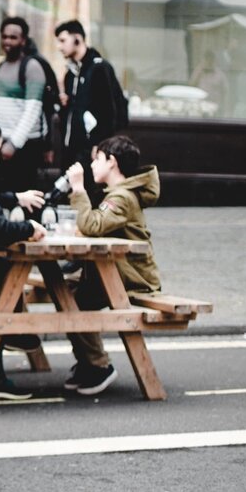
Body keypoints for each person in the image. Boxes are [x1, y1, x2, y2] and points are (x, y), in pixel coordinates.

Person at [62, 135, 161, 395]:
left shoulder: (122, 197)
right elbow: (94, 225)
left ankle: (98, 366)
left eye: (97, 159)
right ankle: (89, 362)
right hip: (115, 272)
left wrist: (79, 190)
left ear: (112, 162)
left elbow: (92, 225)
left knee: (74, 299)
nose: (92, 164)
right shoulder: (119, 195)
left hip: (131, 276)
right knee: (65, 292)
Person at [0, 119, 47, 400]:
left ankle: (13, 343)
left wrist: (15, 198)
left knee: (7, 275)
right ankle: (13, 339)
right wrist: (30, 228)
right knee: (4, 278)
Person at [55, 20, 127, 196]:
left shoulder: (98, 68)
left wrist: (99, 144)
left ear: (77, 39)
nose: (59, 46)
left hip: (90, 148)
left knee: (88, 195)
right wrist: (65, 104)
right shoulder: (70, 74)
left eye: (63, 40)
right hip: (70, 147)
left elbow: (109, 111)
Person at [0, 17, 51, 193]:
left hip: (25, 146)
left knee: (26, 199)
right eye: (4, 37)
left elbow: (32, 110)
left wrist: (13, 144)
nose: (7, 41)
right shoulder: (1, 66)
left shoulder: (32, 67)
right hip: (2, 142)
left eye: (13, 37)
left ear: (23, 40)